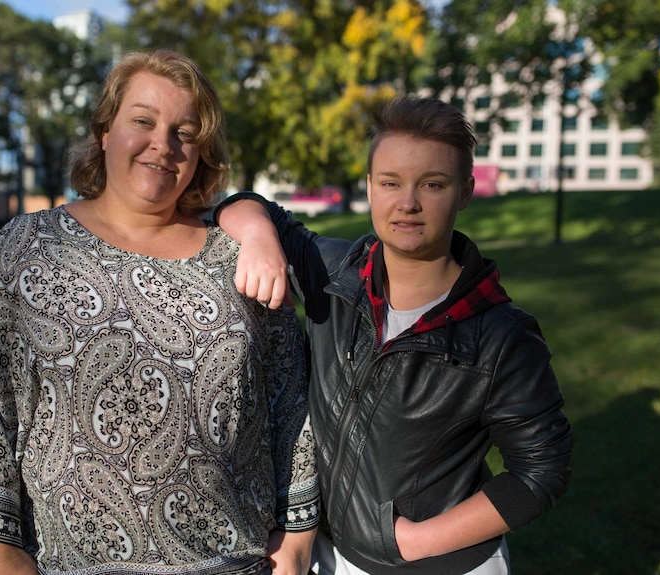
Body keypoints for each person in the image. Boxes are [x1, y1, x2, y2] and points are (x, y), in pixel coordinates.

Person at [0, 49, 319, 575]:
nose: (163, 145)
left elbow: (293, 399)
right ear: (105, 130)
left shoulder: (239, 255)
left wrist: (299, 539)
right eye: (142, 121)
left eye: (185, 132)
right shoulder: (27, 250)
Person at [215, 96, 573, 574]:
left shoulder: (501, 338)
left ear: (464, 191)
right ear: (369, 187)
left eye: (432, 184)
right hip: (325, 553)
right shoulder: (333, 274)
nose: (408, 203)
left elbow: (541, 471)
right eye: (390, 183)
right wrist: (260, 236)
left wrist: (417, 540)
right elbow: (243, 205)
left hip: (436, 565)